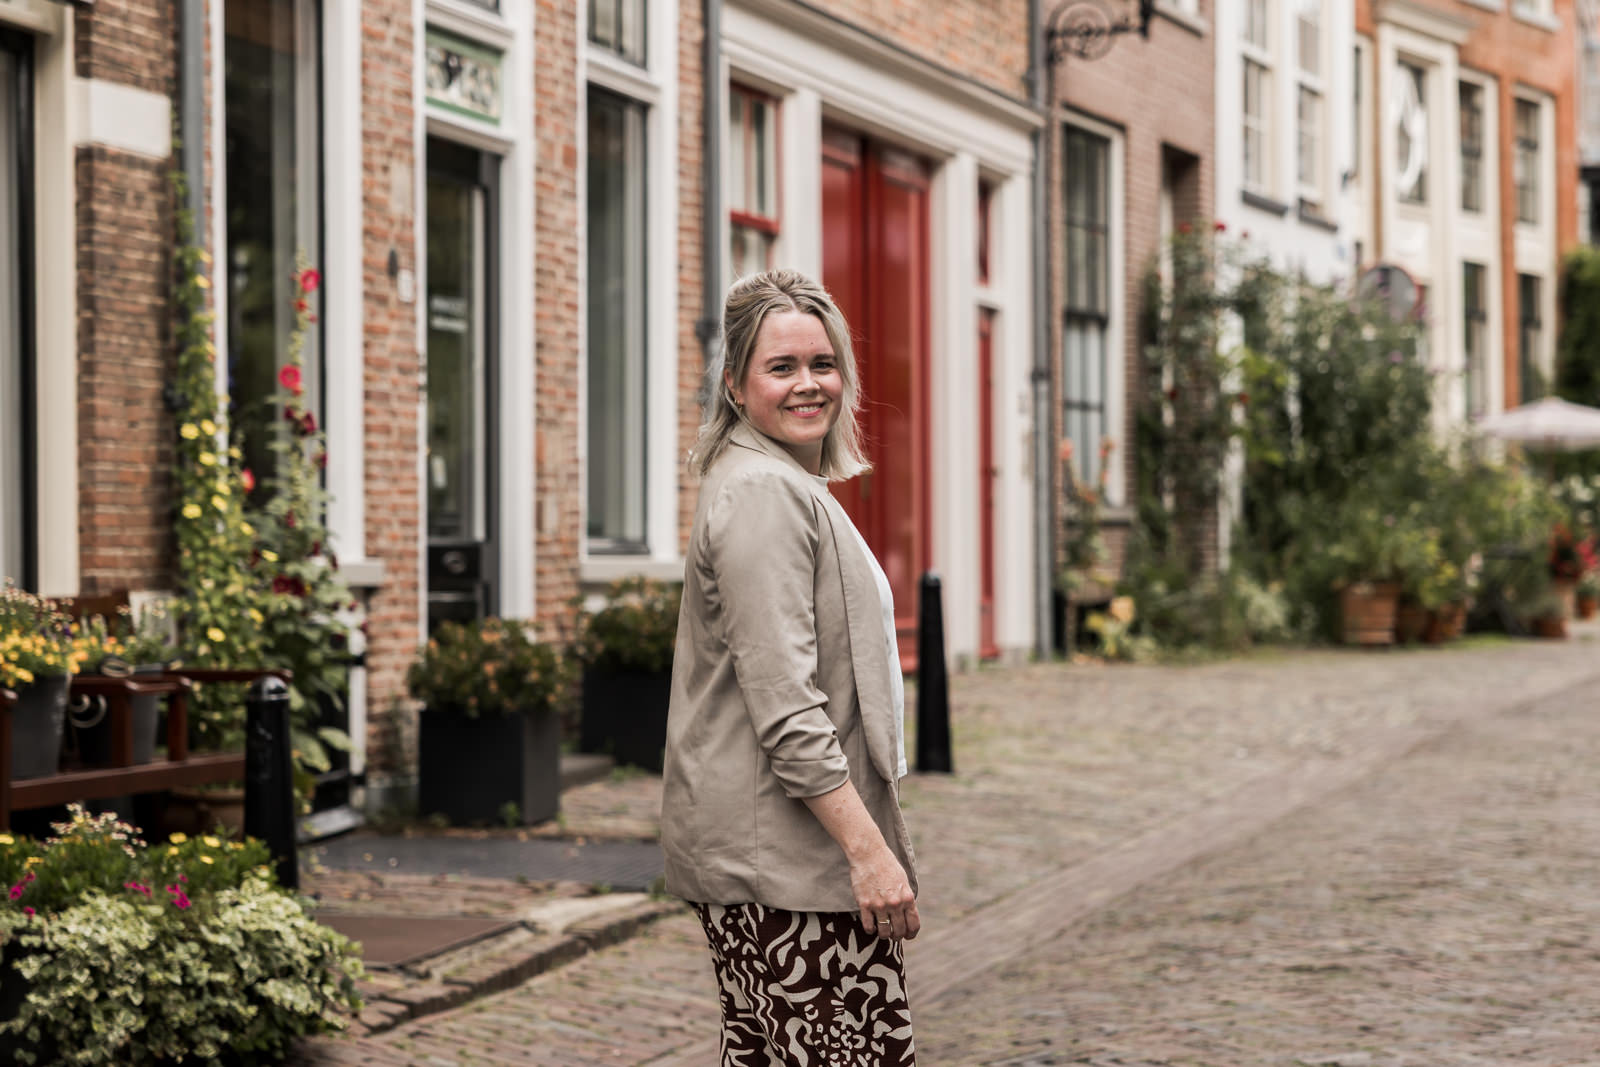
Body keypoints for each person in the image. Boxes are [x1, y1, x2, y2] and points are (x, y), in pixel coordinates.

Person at [661, 268, 920, 1065]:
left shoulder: (773, 480)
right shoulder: (762, 495)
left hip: (771, 859)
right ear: (735, 385)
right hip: (784, 864)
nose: (809, 383)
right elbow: (786, 705)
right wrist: (868, 852)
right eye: (782, 367)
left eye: (822, 362)